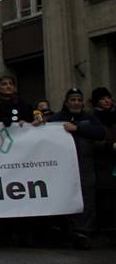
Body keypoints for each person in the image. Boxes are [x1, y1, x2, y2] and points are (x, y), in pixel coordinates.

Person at [47, 88, 107, 248]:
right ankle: (64, 231)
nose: (76, 103)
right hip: (62, 166)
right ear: (66, 102)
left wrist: (78, 128)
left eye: (79, 100)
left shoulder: (89, 118)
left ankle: (83, 233)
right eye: (73, 100)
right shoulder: (56, 119)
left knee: (87, 198)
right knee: (64, 196)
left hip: (84, 165)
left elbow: (100, 133)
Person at [91, 87, 116, 241]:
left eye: (108, 97)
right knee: (107, 198)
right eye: (102, 99)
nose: (107, 101)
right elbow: (93, 139)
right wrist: (109, 146)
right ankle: (108, 229)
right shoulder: (93, 118)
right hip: (103, 163)